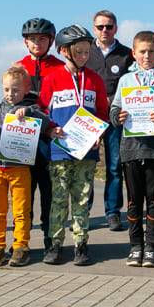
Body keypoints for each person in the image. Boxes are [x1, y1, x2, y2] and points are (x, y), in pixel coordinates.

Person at [110, 31, 154, 269]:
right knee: (133, 202)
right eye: (142, 51)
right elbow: (114, 109)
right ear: (134, 53)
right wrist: (117, 116)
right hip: (131, 150)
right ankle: (135, 246)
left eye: (151, 51)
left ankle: (151, 247)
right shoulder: (126, 80)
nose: (147, 56)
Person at [39, 25, 109, 267]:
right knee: (58, 199)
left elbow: (102, 111)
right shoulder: (52, 79)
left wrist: (99, 130)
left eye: (86, 52)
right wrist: (49, 129)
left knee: (81, 199)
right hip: (59, 150)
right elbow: (42, 111)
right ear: (63, 51)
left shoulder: (94, 79)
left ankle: (81, 244)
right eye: (78, 52)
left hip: (86, 151)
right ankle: (55, 244)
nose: (83, 56)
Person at [0, 65, 51, 268]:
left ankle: (20, 247)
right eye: (7, 89)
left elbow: (45, 122)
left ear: (25, 89)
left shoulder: (31, 109)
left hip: (20, 169)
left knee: (21, 211)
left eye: (16, 90)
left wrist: (29, 113)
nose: (10, 94)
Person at [85, 10, 133, 232]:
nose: (105, 30)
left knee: (114, 166)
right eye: (100, 27)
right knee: (87, 166)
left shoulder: (126, 54)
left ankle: (113, 212)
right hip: (89, 119)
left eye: (109, 26)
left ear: (116, 28)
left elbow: (132, 84)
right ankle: (83, 211)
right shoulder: (85, 51)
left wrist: (112, 100)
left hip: (115, 118)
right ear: (94, 28)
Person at [17, 18, 62, 250]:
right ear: (26, 42)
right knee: (23, 192)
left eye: (42, 39)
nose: (37, 43)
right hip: (24, 138)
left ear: (51, 41)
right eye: (32, 39)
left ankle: (50, 237)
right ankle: (21, 240)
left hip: (48, 137)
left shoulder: (59, 67)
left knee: (49, 191)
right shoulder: (18, 66)